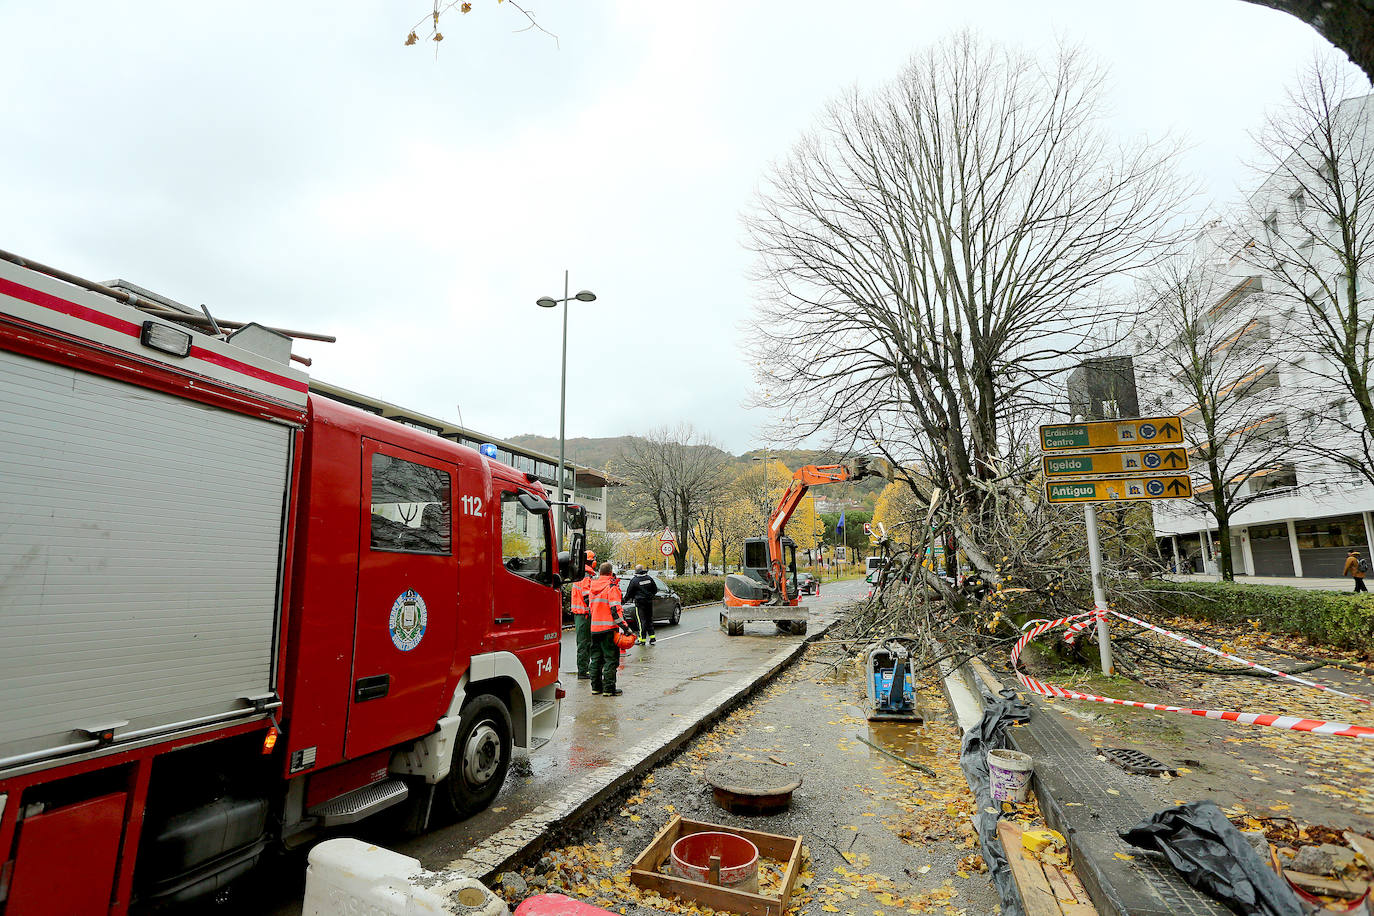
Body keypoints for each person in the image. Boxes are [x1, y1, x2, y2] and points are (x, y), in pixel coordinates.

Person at [583, 561, 629, 696]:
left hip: (594, 629)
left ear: (600, 572)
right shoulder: (611, 587)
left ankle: (596, 688)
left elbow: (590, 607)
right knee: (611, 659)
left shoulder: (592, 586)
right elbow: (615, 610)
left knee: (596, 659)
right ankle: (609, 689)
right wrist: (626, 628)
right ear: (610, 573)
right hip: (609, 629)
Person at [570, 550, 598, 679]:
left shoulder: (581, 574)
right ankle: (583, 671)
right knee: (584, 643)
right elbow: (587, 596)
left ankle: (584, 669)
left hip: (581, 614)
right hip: (584, 614)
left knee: (585, 643)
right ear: (592, 562)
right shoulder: (586, 575)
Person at [622, 563, 658, 645]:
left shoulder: (634, 580)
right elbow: (655, 590)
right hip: (649, 602)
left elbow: (629, 593)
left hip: (640, 603)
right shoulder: (649, 578)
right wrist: (650, 596)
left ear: (636, 571)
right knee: (649, 620)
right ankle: (652, 638)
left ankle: (642, 639)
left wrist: (623, 601)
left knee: (641, 621)